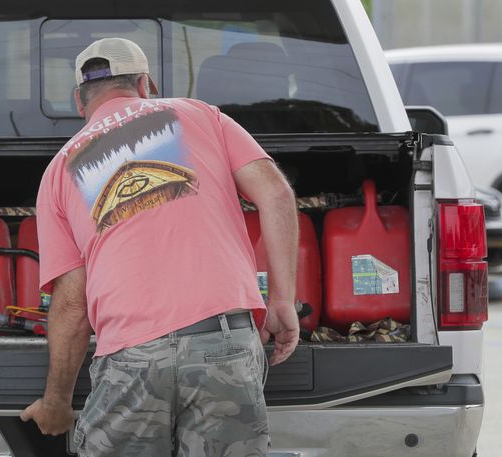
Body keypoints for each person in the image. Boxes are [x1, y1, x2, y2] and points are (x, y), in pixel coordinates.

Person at [20, 37, 299, 457]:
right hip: (222, 342)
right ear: (146, 85)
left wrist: (56, 402)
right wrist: (281, 300)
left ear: (80, 101)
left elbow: (73, 306)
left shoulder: (61, 169)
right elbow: (276, 194)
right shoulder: (200, 115)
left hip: (132, 356)